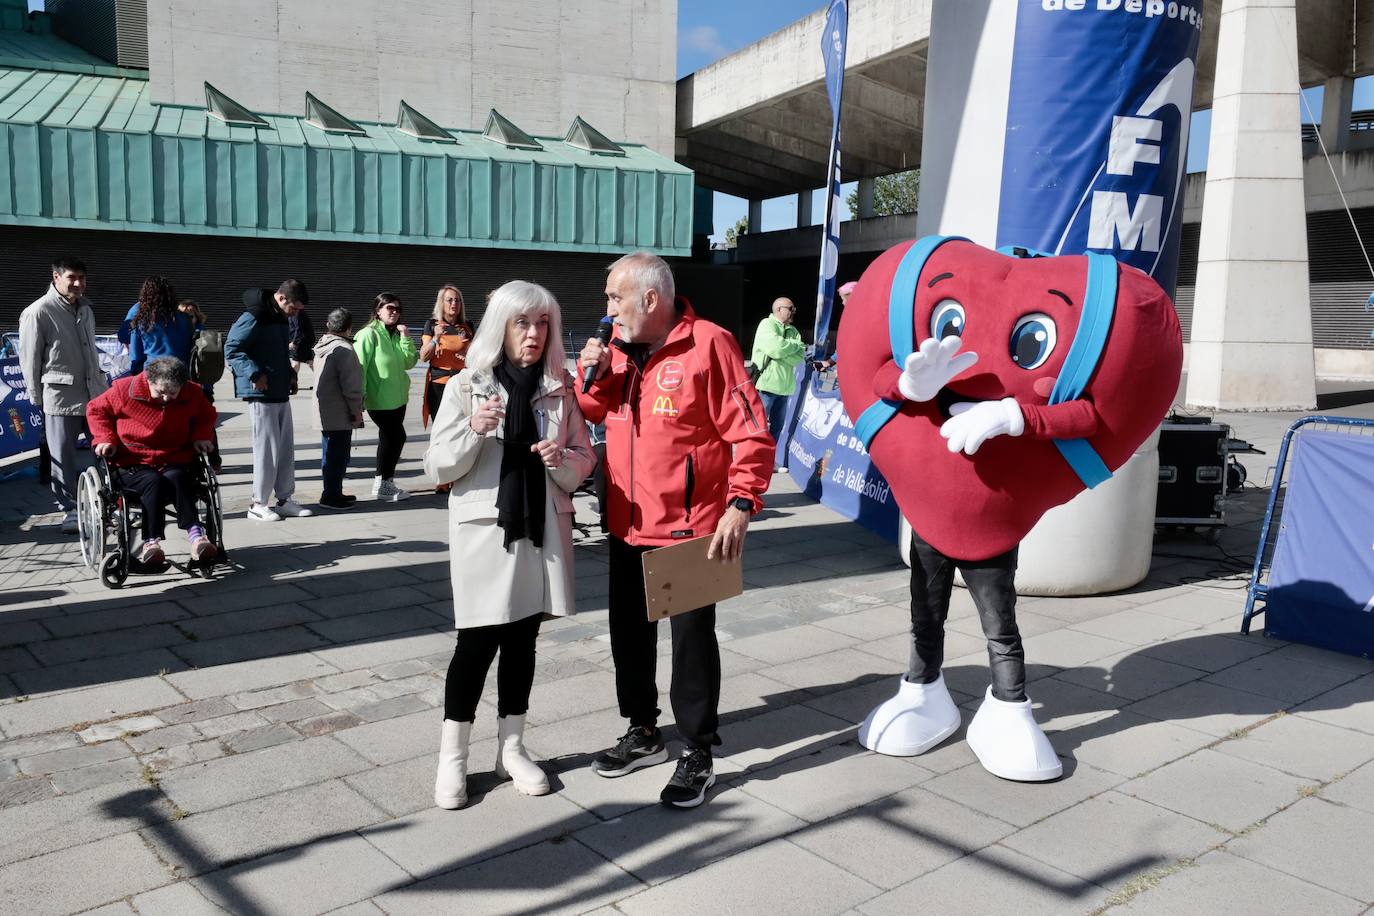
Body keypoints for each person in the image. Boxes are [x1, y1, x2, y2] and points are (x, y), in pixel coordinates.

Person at [578, 251, 775, 809]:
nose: (608, 308)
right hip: (625, 525)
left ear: (650, 298)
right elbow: (594, 410)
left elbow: (751, 432)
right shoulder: (615, 349)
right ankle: (643, 731)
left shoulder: (710, 343)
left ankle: (697, 750)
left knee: (691, 646)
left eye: (615, 297)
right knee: (628, 638)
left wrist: (741, 503)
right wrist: (588, 371)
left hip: (691, 529)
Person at [424, 280, 595, 810]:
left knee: (523, 642)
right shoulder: (465, 387)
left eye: (543, 323)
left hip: (538, 532)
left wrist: (559, 461)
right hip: (485, 532)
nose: (535, 334)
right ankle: (453, 758)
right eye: (524, 323)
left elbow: (584, 461)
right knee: (475, 646)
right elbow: (437, 466)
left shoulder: (559, 388)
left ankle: (511, 749)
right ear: (502, 325)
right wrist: (473, 430)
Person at [85, 356, 218, 565]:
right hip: (132, 460)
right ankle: (151, 542)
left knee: (179, 478)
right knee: (152, 481)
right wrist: (104, 438)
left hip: (173, 456)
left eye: (173, 393)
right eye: (161, 392)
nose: (166, 398)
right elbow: (96, 409)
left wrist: (201, 436)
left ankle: (196, 536)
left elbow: (206, 415)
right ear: (149, 380)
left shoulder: (192, 392)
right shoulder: (124, 390)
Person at [19, 257, 109, 533]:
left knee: (107, 450)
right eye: (72, 277)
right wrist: (37, 396)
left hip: (94, 394)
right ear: (56, 277)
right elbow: (29, 359)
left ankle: (110, 502)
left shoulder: (86, 309)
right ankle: (70, 509)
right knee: (63, 458)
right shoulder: (38, 312)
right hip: (60, 397)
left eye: (82, 277)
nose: (78, 283)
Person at [225, 287, 313, 521]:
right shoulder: (253, 315)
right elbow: (232, 350)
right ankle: (258, 503)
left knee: (285, 449)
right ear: (281, 297)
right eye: (292, 308)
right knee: (266, 451)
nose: (294, 314)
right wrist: (254, 374)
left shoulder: (281, 317)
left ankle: (284, 499)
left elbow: (279, 354)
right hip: (260, 393)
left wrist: (290, 376)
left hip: (279, 390)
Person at [354, 293, 419, 502]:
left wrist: (406, 336)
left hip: (399, 399)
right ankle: (384, 483)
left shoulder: (394, 335)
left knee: (389, 438)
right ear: (378, 310)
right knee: (396, 437)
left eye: (398, 309)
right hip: (379, 400)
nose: (394, 312)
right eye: (390, 308)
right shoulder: (368, 334)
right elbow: (359, 367)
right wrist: (359, 397)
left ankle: (383, 481)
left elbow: (409, 362)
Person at [420, 286, 474, 495]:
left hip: (463, 384)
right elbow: (424, 356)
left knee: (463, 429)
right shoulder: (432, 325)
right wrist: (435, 337)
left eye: (457, 300)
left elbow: (478, 357)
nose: (454, 304)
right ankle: (442, 477)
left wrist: (469, 343)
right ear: (442, 303)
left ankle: (460, 472)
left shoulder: (467, 326)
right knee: (441, 430)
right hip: (439, 383)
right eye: (450, 300)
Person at [313, 308, 365, 511]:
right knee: (338, 455)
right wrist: (356, 411)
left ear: (328, 325)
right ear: (350, 328)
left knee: (330, 453)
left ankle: (332, 492)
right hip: (340, 411)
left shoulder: (321, 346)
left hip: (325, 411)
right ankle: (332, 495)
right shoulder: (344, 350)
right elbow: (351, 386)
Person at [750, 296, 807, 451]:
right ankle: (754, 458)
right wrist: (791, 348)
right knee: (757, 427)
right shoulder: (766, 324)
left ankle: (770, 459)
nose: (793, 311)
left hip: (785, 389)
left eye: (793, 308)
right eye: (790, 308)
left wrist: (783, 351)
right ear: (778, 309)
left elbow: (799, 356)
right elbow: (775, 348)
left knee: (777, 428)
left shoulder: (793, 331)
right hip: (766, 386)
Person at [126, 277, 199, 375]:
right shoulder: (185, 319)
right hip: (181, 373)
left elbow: (136, 357)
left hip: (153, 373)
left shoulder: (142, 320)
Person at [281, 279, 316, 385]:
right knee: (310, 362)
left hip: (301, 342)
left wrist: (294, 342)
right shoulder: (296, 312)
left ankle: (291, 381)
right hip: (305, 341)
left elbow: (298, 328)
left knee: (296, 362)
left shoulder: (296, 312)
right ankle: (324, 379)